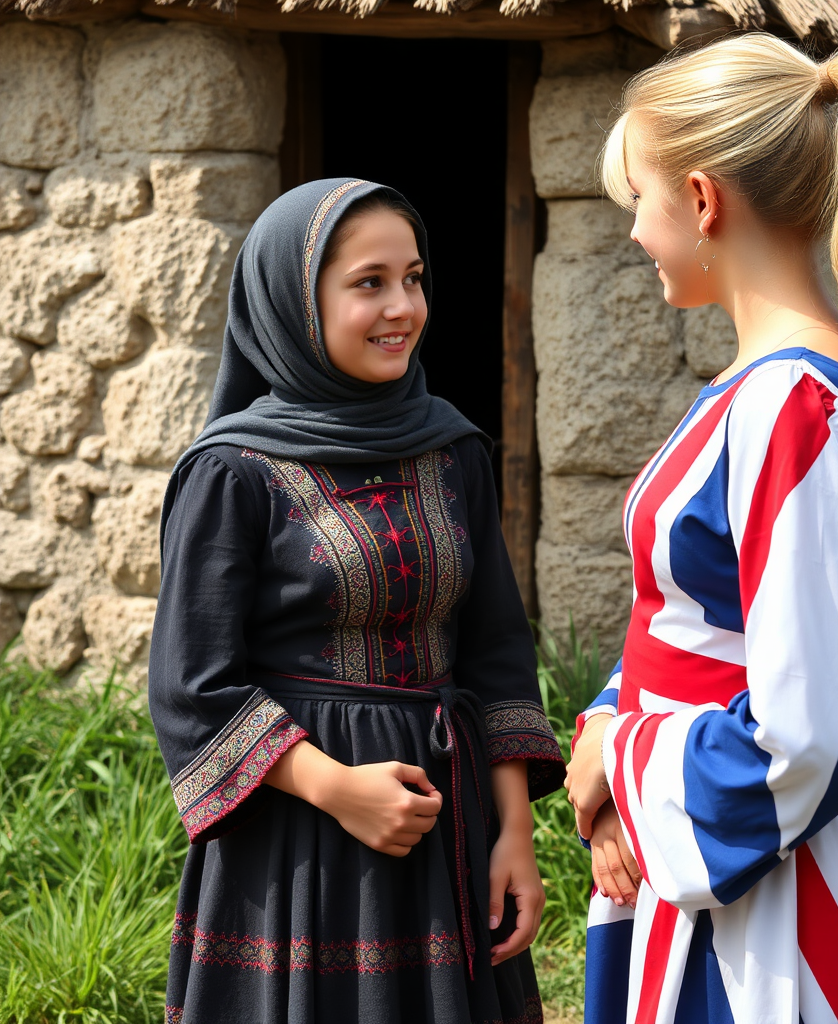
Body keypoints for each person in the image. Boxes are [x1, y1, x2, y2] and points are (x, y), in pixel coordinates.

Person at [564, 33, 838, 1024]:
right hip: (704, 877)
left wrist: (624, 760)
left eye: (640, 204)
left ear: (701, 201)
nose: (635, 234)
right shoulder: (755, 397)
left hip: (770, 920)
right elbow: (686, 624)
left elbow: (803, 738)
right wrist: (607, 743)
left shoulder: (795, 412)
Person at [149, 178, 565, 1024]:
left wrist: (512, 832)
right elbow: (191, 684)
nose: (402, 307)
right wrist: (338, 788)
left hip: (448, 825)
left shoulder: (451, 449)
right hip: (297, 840)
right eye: (369, 282)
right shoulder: (233, 472)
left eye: (413, 278)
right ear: (296, 302)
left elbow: (494, 649)